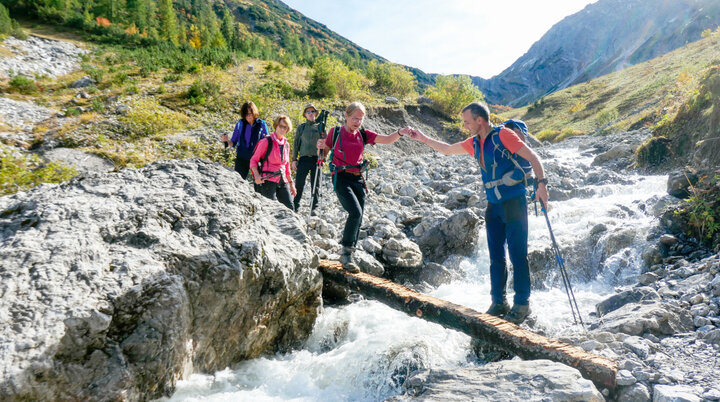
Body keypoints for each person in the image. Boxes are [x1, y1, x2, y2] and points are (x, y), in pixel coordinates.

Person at [407, 102, 549, 324]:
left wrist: (542, 185)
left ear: (479, 120)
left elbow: (533, 157)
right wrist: (422, 138)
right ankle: (498, 301)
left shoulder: (503, 136)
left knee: (517, 255)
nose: (465, 126)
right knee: (496, 257)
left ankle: (522, 304)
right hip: (493, 206)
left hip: (514, 203)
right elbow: (446, 149)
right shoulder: (474, 143)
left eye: (467, 122)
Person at [316, 102, 411, 273]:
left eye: (360, 119)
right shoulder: (335, 132)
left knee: (359, 216)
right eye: (354, 118)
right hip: (341, 177)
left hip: (358, 179)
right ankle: (345, 254)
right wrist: (321, 148)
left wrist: (400, 133)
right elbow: (325, 153)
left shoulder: (363, 134)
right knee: (355, 212)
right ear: (346, 116)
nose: (357, 122)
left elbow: (388, 140)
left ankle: (350, 252)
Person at [250, 115, 297, 210]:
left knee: (290, 208)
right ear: (276, 126)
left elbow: (286, 166)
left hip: (282, 180)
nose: (282, 129)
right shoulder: (266, 141)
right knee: (270, 209)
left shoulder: (286, 145)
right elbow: (253, 160)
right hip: (267, 181)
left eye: (285, 127)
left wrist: (291, 184)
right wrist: (257, 176)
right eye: (280, 126)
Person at [222, 101, 269, 181]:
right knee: (238, 181)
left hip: (257, 158)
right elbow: (233, 142)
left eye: (251, 113)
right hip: (242, 157)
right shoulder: (240, 124)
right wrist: (226, 141)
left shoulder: (261, 124)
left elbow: (267, 140)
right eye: (247, 114)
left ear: (255, 113)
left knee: (259, 183)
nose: (249, 116)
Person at [292, 104, 326, 213]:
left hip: (317, 159)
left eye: (312, 111)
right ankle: (295, 204)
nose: (311, 114)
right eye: (308, 112)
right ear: (305, 114)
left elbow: (326, 144)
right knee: (299, 183)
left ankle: (314, 207)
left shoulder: (321, 127)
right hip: (303, 159)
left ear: (316, 113)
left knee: (315, 184)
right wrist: (294, 160)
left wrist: (323, 159)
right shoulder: (301, 127)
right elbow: (296, 144)